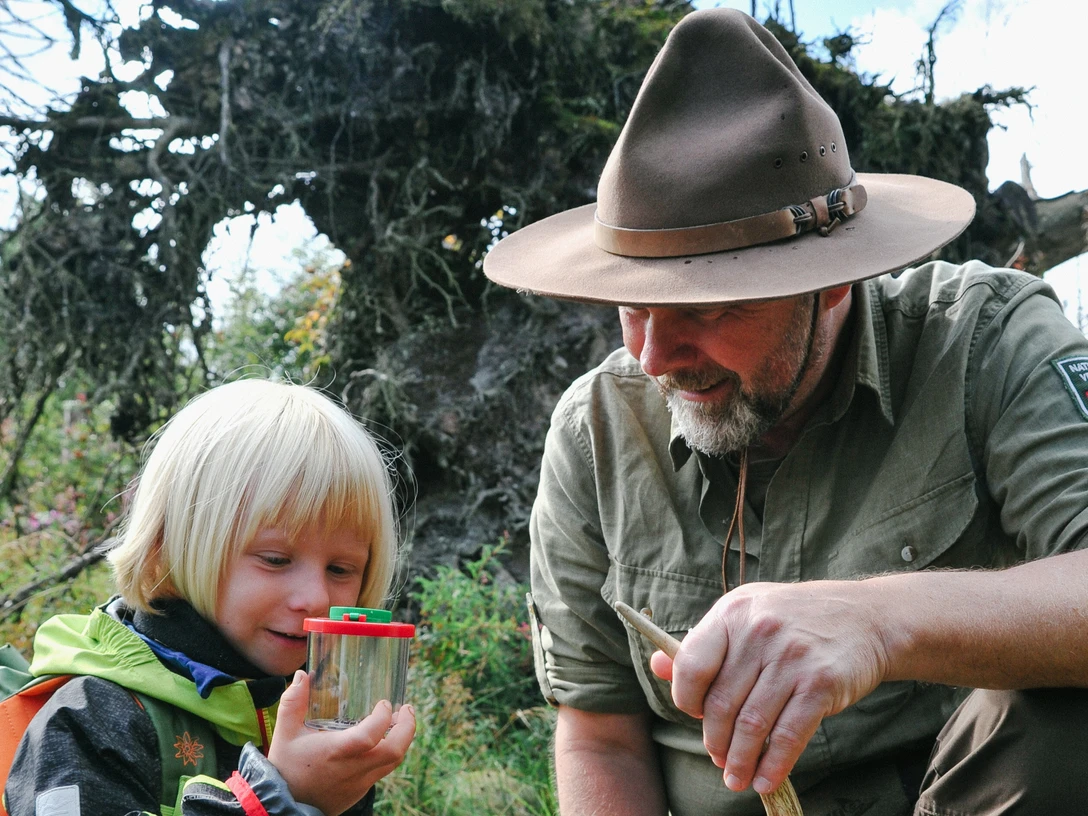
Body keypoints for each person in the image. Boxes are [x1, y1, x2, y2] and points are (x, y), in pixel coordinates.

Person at [483, 8, 1088, 816]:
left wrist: (878, 623)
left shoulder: (986, 344)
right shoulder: (597, 432)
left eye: (706, 308)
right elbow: (600, 733)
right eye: (632, 306)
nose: (654, 358)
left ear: (832, 280)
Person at [4, 379, 416, 816]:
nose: (316, 597)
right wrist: (281, 800)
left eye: (340, 569)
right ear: (172, 548)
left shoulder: (311, 712)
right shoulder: (92, 719)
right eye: (276, 560)